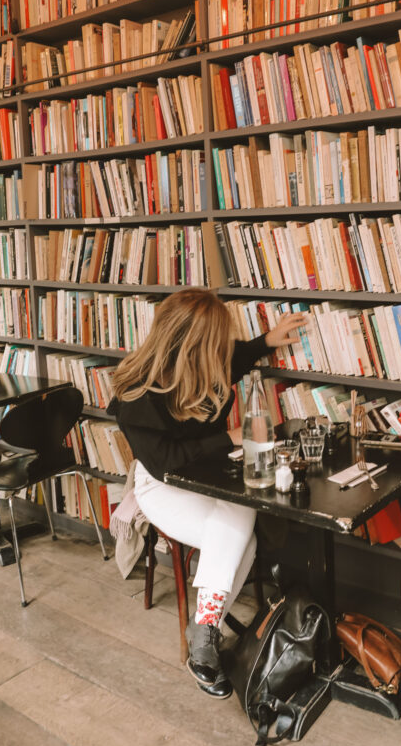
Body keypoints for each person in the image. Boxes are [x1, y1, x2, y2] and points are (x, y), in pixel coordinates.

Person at [107, 289, 306, 699]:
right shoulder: (136, 395)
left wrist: (267, 342)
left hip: (209, 477)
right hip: (161, 486)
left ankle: (203, 631)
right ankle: (204, 638)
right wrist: (230, 436)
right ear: (190, 343)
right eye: (216, 340)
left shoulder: (204, 363)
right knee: (238, 528)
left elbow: (233, 359)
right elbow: (166, 461)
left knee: (239, 522)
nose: (223, 348)